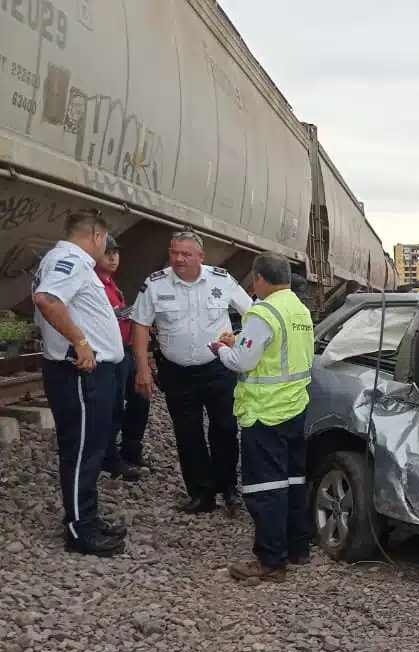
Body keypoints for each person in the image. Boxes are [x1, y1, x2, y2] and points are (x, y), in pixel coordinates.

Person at [131, 230, 253, 515]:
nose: (178, 259)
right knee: (188, 433)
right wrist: (142, 368)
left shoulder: (221, 280)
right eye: (174, 253)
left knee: (224, 428)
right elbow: (140, 324)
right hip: (177, 372)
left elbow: (251, 313)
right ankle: (201, 494)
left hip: (217, 368)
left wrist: (241, 341)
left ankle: (228, 489)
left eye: (186, 254)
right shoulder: (156, 284)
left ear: (201, 257)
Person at [210, 253, 314, 583]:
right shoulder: (299, 309)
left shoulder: (263, 311)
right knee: (293, 480)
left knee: (265, 487)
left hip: (264, 412)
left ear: (258, 278)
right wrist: (240, 341)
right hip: (294, 406)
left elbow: (242, 361)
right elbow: (277, 351)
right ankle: (297, 547)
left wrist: (223, 350)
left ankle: (270, 561)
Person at [30, 210, 128, 557]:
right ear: (98, 237)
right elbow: (48, 299)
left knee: (90, 448)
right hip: (80, 372)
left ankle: (85, 515)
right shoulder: (68, 260)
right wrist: (81, 341)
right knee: (83, 451)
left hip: (90, 372)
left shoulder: (70, 261)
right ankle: (79, 529)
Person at [96, 236, 149, 480]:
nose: (113, 258)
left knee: (140, 398)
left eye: (116, 253)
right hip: (110, 353)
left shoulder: (111, 284)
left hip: (124, 349)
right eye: (108, 253)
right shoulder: (94, 284)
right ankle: (108, 457)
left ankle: (130, 449)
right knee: (113, 406)